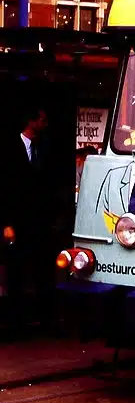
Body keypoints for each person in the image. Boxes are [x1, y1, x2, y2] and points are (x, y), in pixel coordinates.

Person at [0, 104, 55, 332]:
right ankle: (15, 321)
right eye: (42, 120)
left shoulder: (43, 148)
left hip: (39, 222)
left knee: (43, 269)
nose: (45, 124)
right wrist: (6, 223)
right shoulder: (9, 149)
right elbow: (4, 188)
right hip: (18, 221)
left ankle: (44, 318)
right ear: (31, 122)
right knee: (16, 271)